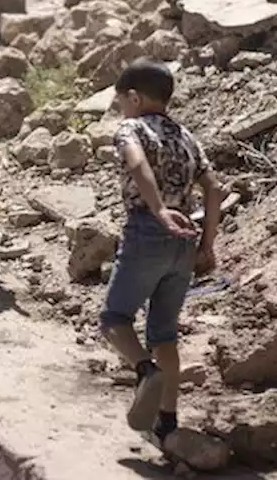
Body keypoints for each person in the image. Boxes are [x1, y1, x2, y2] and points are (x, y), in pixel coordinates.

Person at [99, 58, 226, 450]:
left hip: (148, 232)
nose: (121, 109)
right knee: (164, 334)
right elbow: (215, 189)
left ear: (134, 98)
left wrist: (158, 211)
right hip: (185, 241)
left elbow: (136, 163)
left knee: (114, 319)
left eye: (121, 102)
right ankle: (167, 424)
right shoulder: (186, 136)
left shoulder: (130, 128)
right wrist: (207, 244)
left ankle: (144, 371)